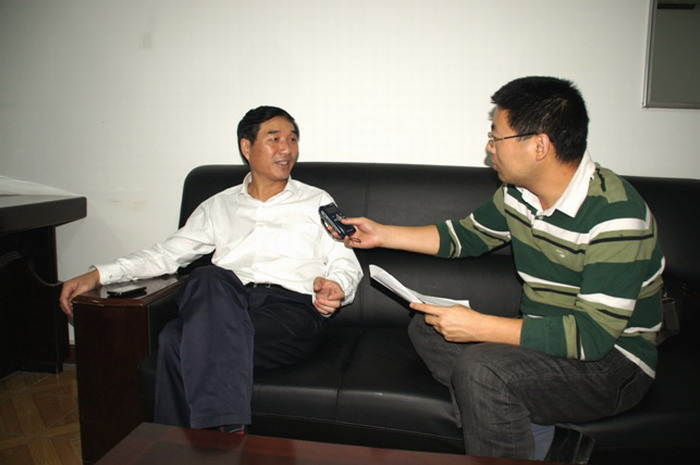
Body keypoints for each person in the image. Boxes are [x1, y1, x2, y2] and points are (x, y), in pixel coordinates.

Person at [340, 77, 664, 460]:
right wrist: (381, 234)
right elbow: (465, 237)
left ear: (539, 145)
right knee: (428, 327)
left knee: (482, 369)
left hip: (614, 363)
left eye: (496, 137)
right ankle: (533, 431)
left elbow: (590, 338)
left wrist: (480, 327)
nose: (489, 147)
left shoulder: (616, 217)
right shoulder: (518, 195)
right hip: (546, 341)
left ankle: (502, 416)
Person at [59, 105, 363, 433]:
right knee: (207, 276)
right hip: (225, 300)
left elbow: (345, 262)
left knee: (175, 339)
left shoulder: (317, 201)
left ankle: (182, 442)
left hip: (289, 312)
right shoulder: (218, 205)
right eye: (274, 139)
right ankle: (214, 433)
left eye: (292, 139)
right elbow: (166, 255)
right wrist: (98, 274)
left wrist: (337, 286)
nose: (287, 149)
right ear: (246, 147)